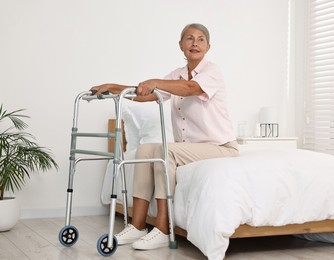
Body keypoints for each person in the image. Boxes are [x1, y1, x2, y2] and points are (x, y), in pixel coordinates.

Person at [91, 23, 238, 250]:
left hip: (221, 147)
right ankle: (138, 225)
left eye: (200, 39)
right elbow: (145, 95)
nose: (195, 43)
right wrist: (113, 87)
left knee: (163, 151)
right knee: (146, 149)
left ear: (208, 46)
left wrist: (156, 82)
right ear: (181, 45)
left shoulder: (212, 71)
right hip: (191, 149)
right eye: (189, 38)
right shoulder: (177, 75)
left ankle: (162, 228)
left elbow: (189, 88)